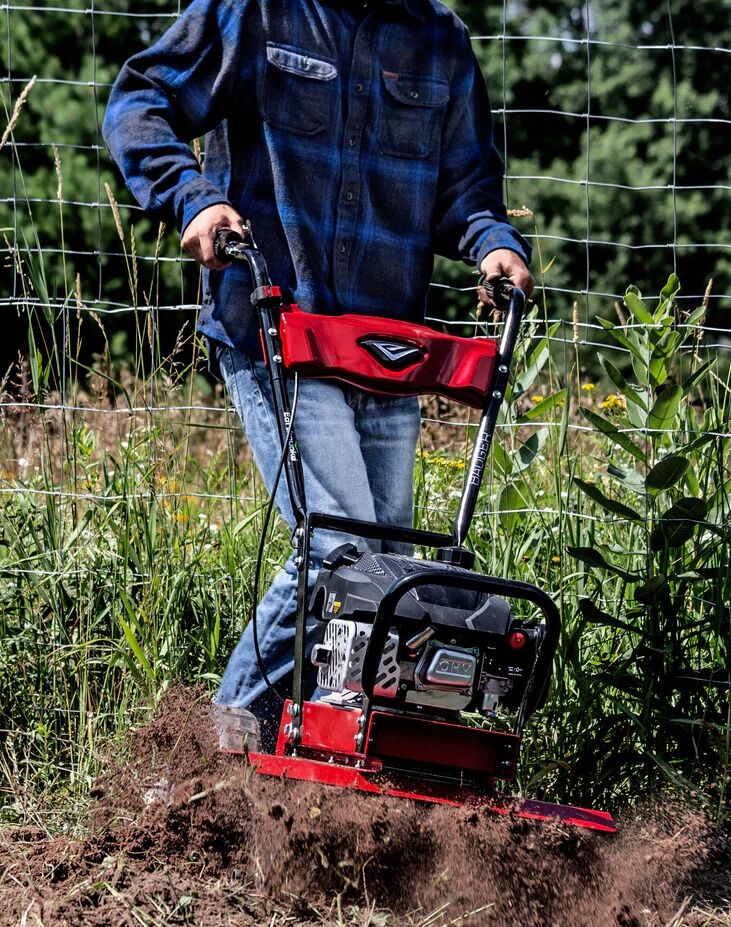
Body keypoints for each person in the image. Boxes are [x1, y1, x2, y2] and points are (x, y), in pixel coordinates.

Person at [103, 0, 533, 741]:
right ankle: (216, 755)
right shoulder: (259, 9)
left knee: (395, 589)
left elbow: (466, 187)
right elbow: (141, 101)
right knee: (340, 558)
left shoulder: (439, 39)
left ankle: (345, 771)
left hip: (386, 351)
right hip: (279, 329)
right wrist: (194, 198)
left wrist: (493, 243)